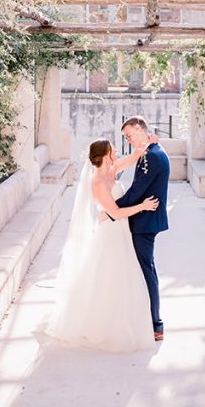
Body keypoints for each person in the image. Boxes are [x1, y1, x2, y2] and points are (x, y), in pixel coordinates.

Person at [45, 138, 160, 352]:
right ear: (105, 154)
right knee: (108, 277)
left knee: (123, 277)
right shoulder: (98, 181)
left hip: (121, 231)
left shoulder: (111, 170)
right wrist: (142, 206)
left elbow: (134, 157)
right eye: (112, 148)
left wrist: (147, 144)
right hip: (110, 234)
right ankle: (103, 324)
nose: (116, 150)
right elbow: (115, 213)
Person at [115, 116, 170, 341]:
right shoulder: (153, 150)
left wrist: (110, 210)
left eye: (129, 135)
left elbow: (136, 192)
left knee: (146, 272)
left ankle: (156, 324)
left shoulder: (153, 157)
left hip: (145, 222)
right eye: (125, 137)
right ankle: (150, 321)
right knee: (147, 270)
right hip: (145, 220)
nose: (128, 140)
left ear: (140, 129)